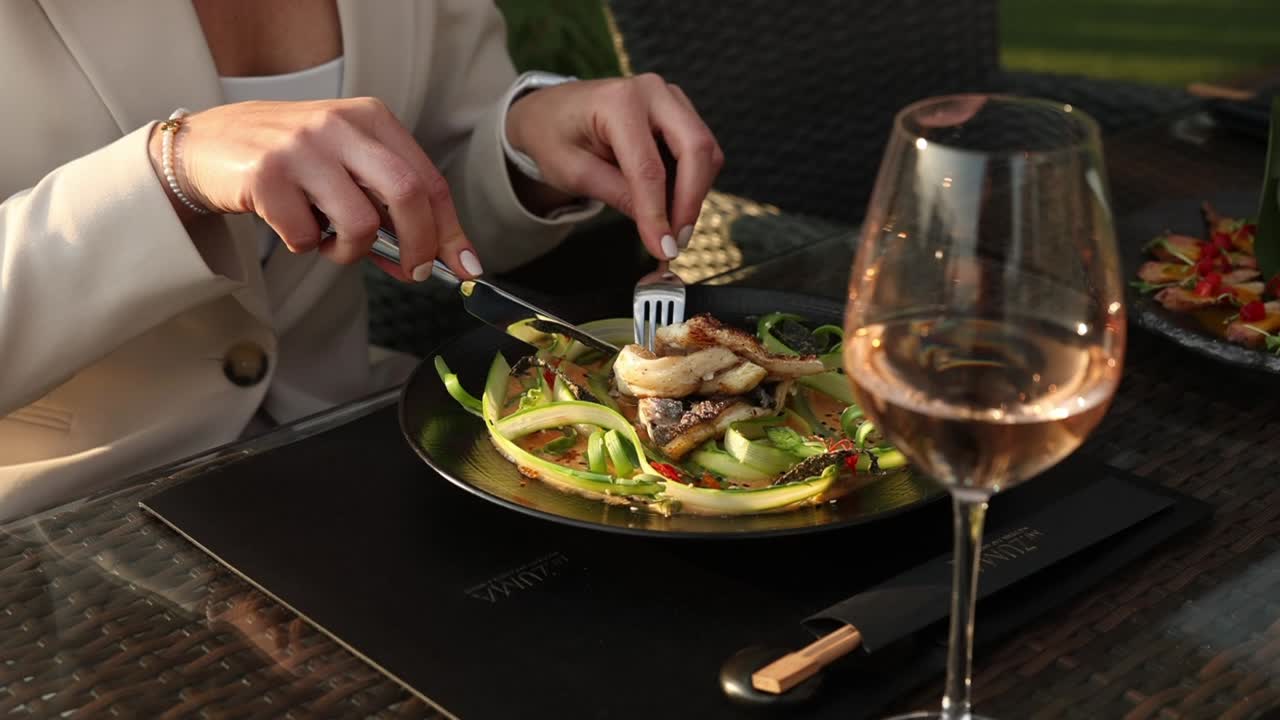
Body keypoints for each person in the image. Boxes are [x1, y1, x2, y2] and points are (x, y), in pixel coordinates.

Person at [0, 0, 723, 522]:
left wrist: (520, 150)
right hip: (71, 528)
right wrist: (168, 172)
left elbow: (430, 200)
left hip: (361, 454)